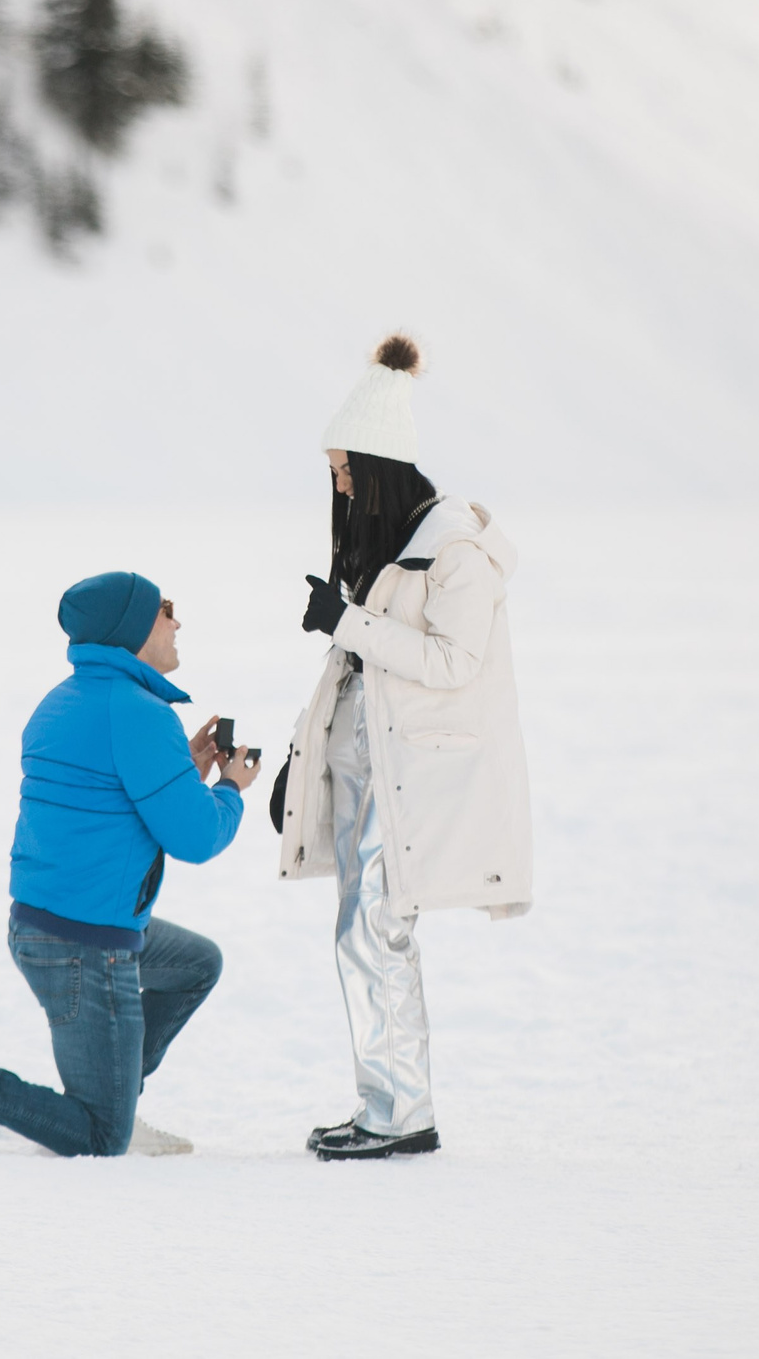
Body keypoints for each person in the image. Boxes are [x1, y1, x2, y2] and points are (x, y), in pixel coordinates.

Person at [269, 334, 533, 1160]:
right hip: (365, 771)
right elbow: (352, 673)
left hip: (409, 781)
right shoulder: (391, 549)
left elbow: (453, 663)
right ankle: (382, 1102)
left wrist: (348, 620)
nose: (341, 486)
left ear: (382, 466)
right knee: (359, 931)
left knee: (377, 930)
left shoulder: (454, 551)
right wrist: (298, 761)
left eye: (348, 470)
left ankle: (401, 1111)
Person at [0, 571, 261, 1156]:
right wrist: (233, 789)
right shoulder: (139, 714)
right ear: (134, 629)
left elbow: (113, 804)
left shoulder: (64, 701)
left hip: (45, 924)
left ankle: (118, 1093)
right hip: (87, 945)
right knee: (99, 1136)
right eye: (166, 609)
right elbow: (194, 837)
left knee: (196, 963)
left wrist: (184, 771)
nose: (177, 622)